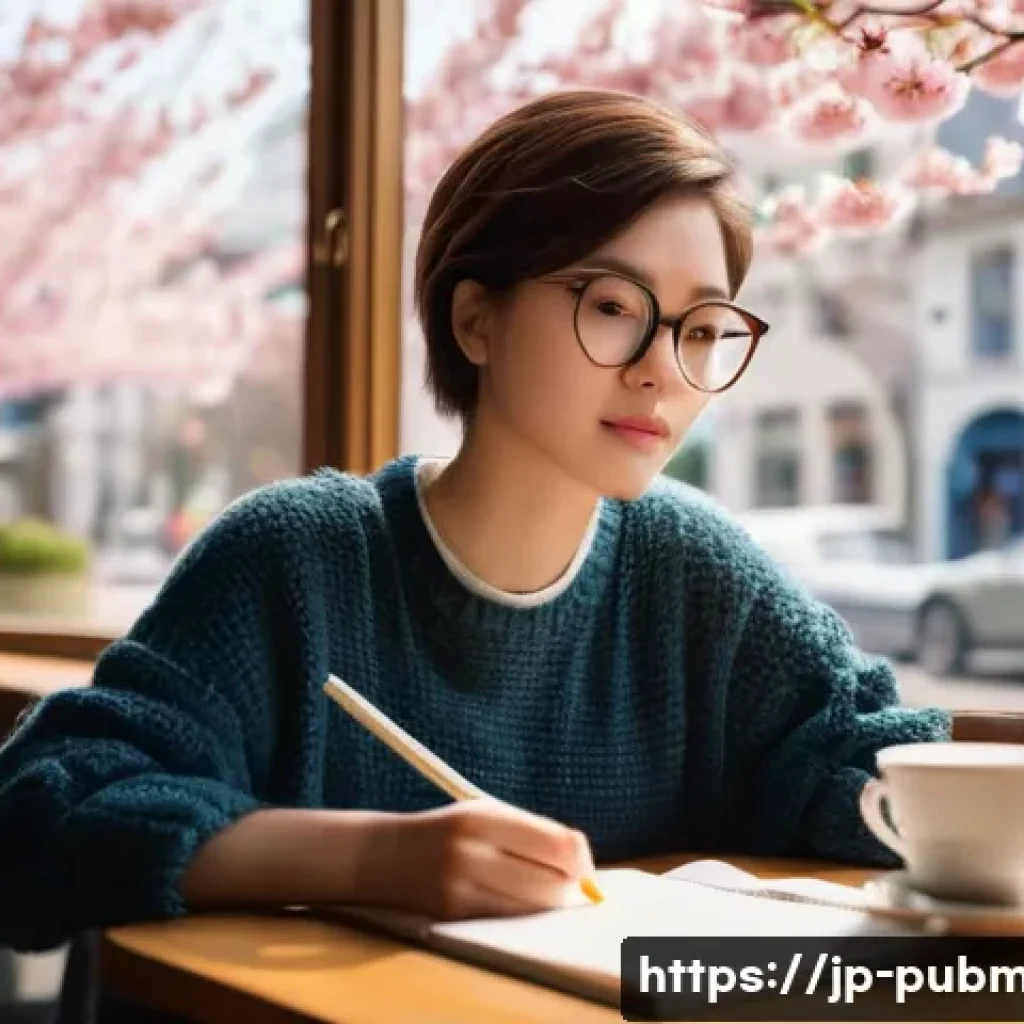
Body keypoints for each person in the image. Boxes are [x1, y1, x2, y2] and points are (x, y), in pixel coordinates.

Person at [0, 89, 950, 953]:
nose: (664, 368)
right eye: (615, 306)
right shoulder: (298, 560)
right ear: (475, 320)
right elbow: (43, 809)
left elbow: (865, 761)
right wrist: (375, 861)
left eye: (702, 329)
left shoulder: (696, 570)